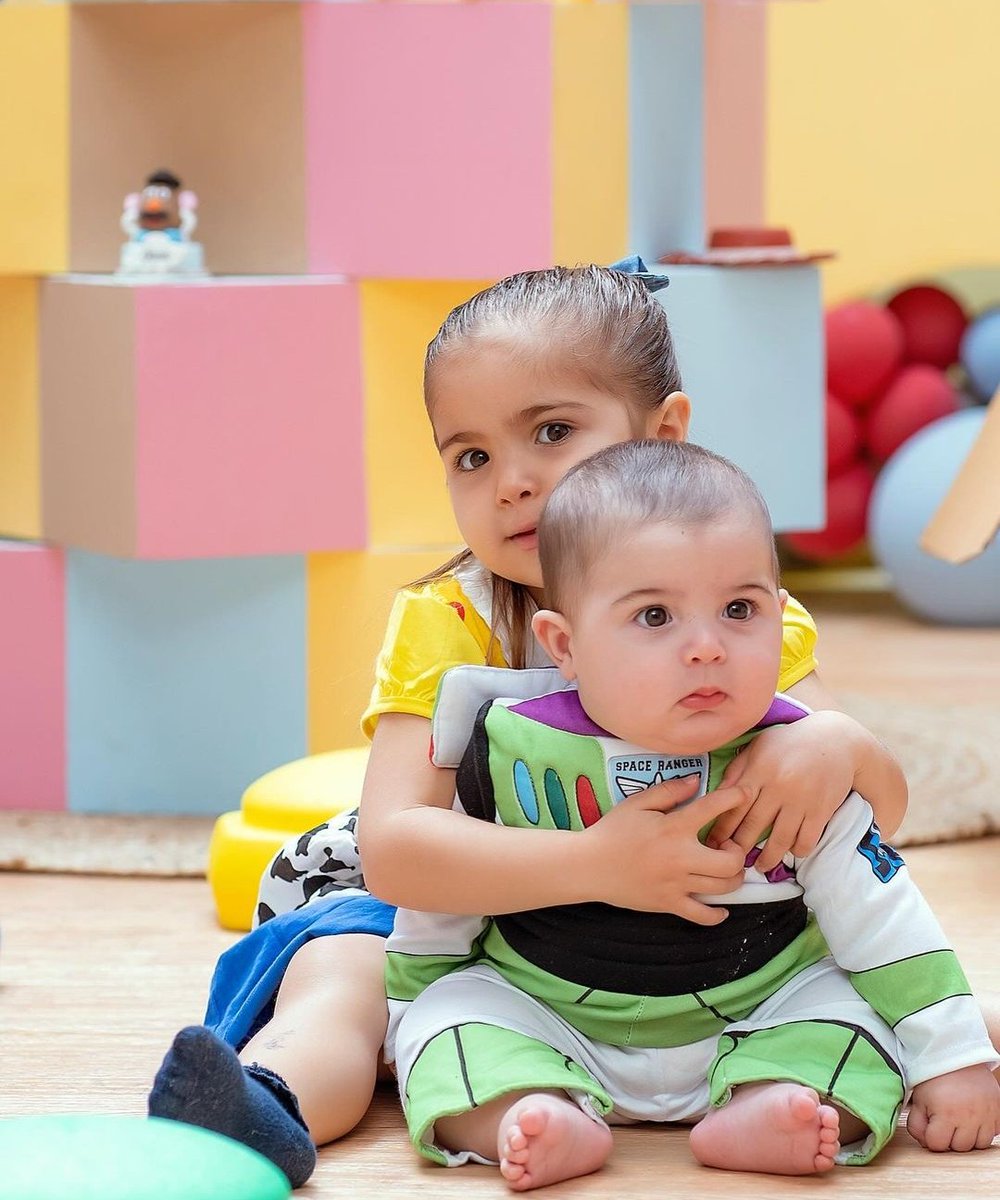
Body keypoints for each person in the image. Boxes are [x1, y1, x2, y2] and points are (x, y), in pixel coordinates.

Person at [148, 263, 912, 1186]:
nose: (510, 483)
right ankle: (269, 1100)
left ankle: (916, 1042)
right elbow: (396, 849)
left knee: (854, 947)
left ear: (663, 434)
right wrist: (601, 862)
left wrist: (838, 745)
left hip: (684, 940)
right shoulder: (455, 619)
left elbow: (881, 815)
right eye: (470, 457)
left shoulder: (732, 608)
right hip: (463, 890)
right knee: (348, 973)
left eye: (551, 433)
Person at [385, 438, 1000, 1189]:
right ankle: (525, 1112)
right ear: (565, 646)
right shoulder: (505, 748)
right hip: (547, 1012)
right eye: (654, 617)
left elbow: (886, 921)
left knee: (852, 1026)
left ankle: (773, 1104)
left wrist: (954, 1060)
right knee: (450, 1025)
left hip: (763, 1007)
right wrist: (409, 1008)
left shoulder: (795, 759)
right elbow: (442, 906)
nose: (707, 647)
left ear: (782, 617)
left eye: (739, 609)